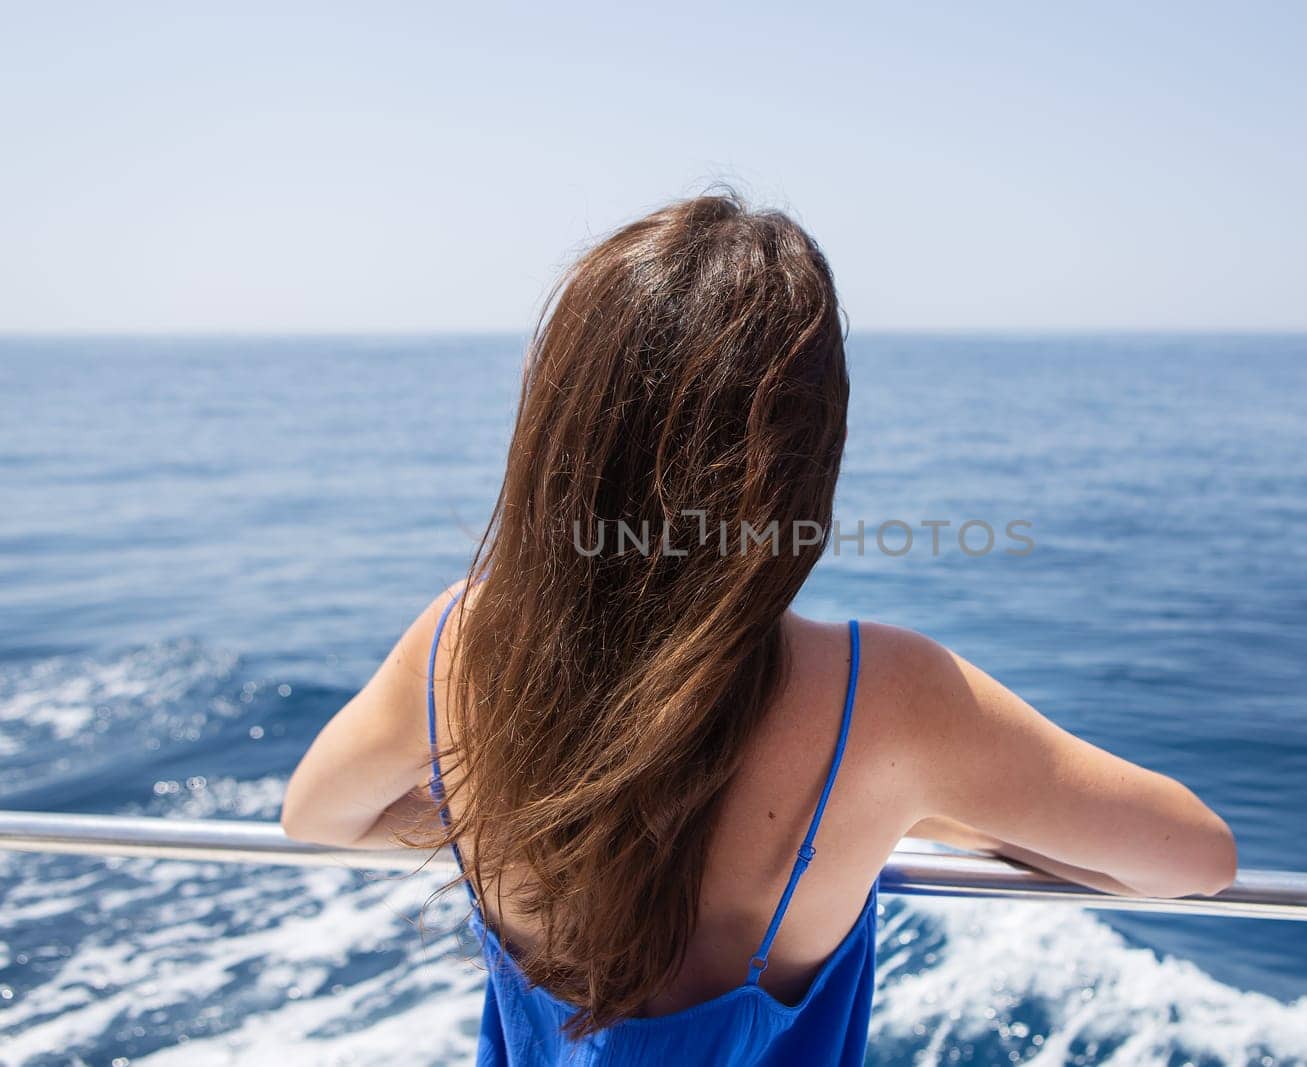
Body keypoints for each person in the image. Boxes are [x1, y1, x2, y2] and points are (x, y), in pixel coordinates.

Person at [282, 193, 1237, 1065]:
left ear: (560, 431)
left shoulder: (457, 644)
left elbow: (319, 815)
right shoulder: (888, 699)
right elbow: (1196, 857)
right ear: (803, 455)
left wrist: (522, 812)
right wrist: (925, 806)